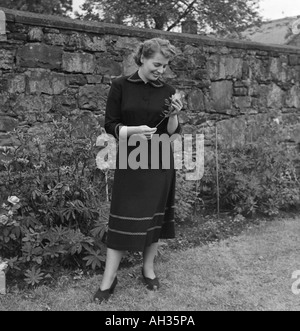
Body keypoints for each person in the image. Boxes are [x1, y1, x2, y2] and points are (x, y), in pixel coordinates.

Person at [93, 38, 183, 303]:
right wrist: (132, 132)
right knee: (123, 216)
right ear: (143, 58)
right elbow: (110, 124)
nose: (161, 70)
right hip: (131, 158)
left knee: (154, 220)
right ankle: (109, 279)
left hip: (159, 158)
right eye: (157, 64)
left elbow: (172, 133)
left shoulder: (168, 90)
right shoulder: (120, 85)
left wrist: (175, 115)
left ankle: (148, 269)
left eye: (165, 66)